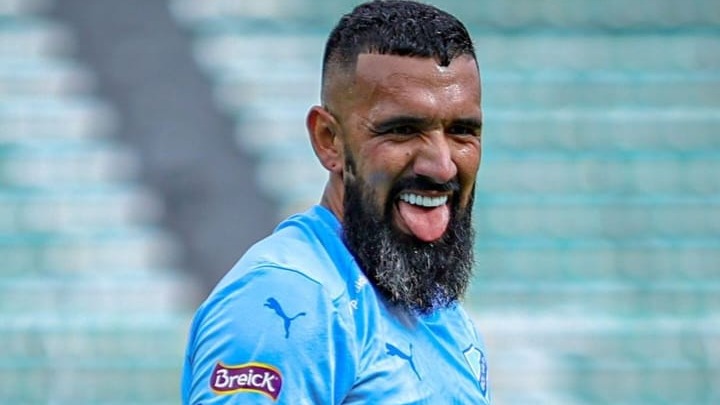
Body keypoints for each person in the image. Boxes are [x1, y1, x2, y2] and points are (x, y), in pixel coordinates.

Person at [181, 1, 489, 403]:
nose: (442, 166)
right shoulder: (291, 299)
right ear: (329, 140)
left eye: (462, 131)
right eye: (402, 130)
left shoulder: (439, 311)